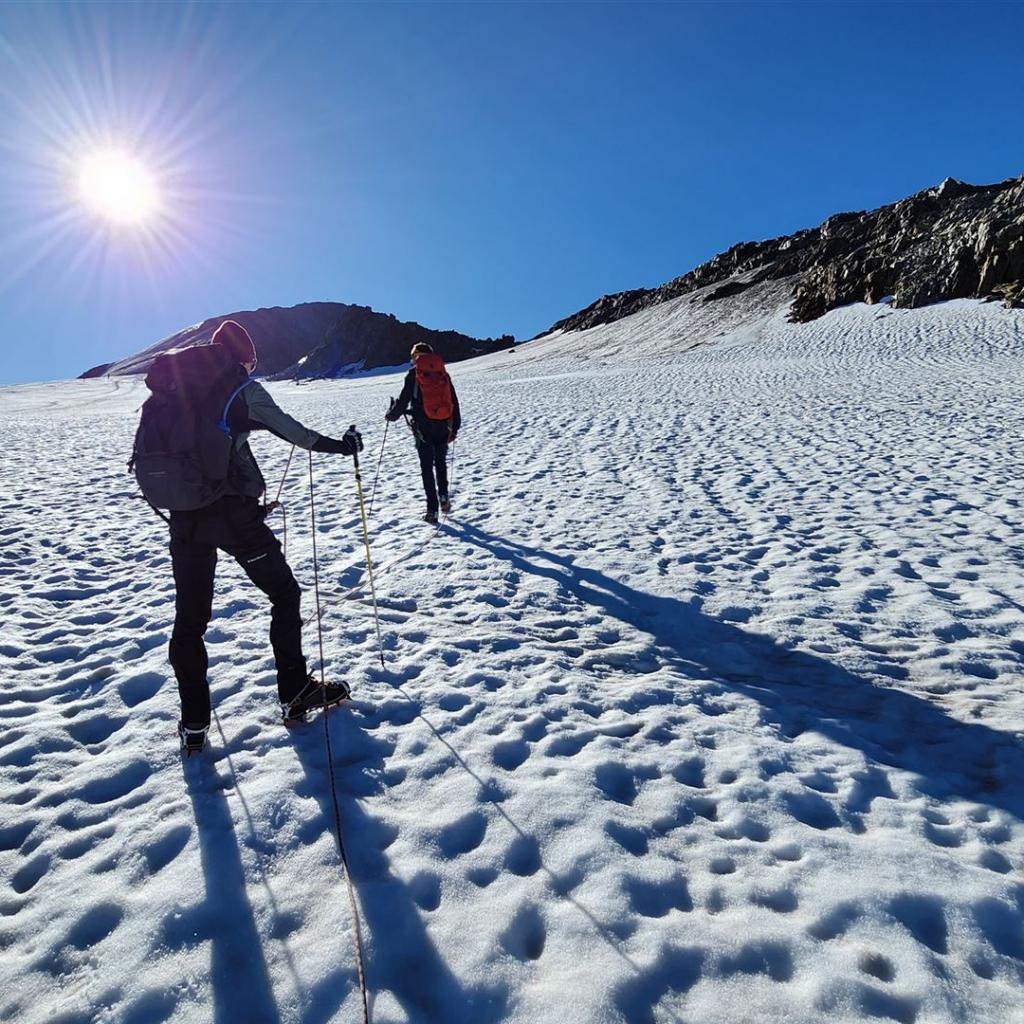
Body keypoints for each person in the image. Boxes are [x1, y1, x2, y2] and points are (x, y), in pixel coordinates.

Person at [166, 320, 362, 753]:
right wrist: (342, 447)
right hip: (234, 519)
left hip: (184, 519)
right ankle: (295, 691)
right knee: (284, 595)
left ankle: (194, 723)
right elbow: (298, 434)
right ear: (244, 357)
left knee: (190, 621)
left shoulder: (178, 390)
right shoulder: (242, 389)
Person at [385, 342, 461, 523]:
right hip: (443, 425)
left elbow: (403, 401)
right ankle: (443, 496)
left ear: (416, 356)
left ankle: (432, 510)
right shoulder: (443, 375)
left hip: (423, 428)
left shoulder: (413, 375)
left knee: (427, 468)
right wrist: (455, 427)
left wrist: (391, 415)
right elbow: (454, 401)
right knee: (440, 462)